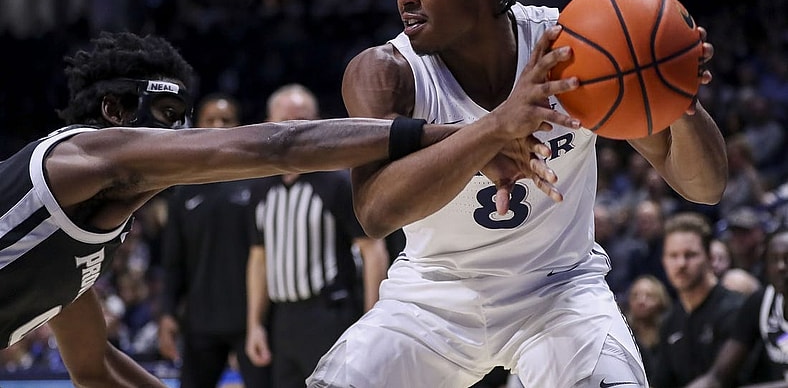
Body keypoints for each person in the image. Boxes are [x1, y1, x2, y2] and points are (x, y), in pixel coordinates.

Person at [0, 30, 555, 387]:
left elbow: (94, 368)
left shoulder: (81, 237)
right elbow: (277, 145)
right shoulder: (76, 157)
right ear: (114, 110)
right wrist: (474, 133)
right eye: (166, 112)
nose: (181, 132)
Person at [307, 0, 725, 387]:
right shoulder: (385, 72)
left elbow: (704, 187)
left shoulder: (573, 49)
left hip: (559, 292)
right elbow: (375, 213)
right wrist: (495, 130)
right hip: (431, 297)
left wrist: (675, 95)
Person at [244, 84, 389, 386]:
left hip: (328, 313)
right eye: (287, 122)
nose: (295, 130)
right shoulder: (260, 188)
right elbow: (259, 258)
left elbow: (372, 249)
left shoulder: (336, 182)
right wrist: (255, 324)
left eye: (304, 122)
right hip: (283, 318)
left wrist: (372, 322)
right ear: (268, 123)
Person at [158, 93, 271, 388]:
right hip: (200, 322)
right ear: (197, 126)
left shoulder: (259, 180)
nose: (218, 125)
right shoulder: (184, 190)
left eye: (226, 120)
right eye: (210, 120)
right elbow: (173, 261)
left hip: (254, 320)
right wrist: (167, 313)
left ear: (239, 125)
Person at [651, 212, 745, 387]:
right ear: (663, 261)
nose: (681, 264)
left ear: (709, 258)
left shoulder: (735, 309)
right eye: (673, 255)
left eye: (690, 255)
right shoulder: (669, 322)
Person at [687, 229, 788, 388]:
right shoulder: (760, 302)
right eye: (774, 260)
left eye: (787, 259)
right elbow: (718, 376)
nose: (781, 267)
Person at [624, 275, 672, 381]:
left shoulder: (670, 331)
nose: (641, 301)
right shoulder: (623, 333)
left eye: (649, 296)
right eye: (635, 296)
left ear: (661, 300)